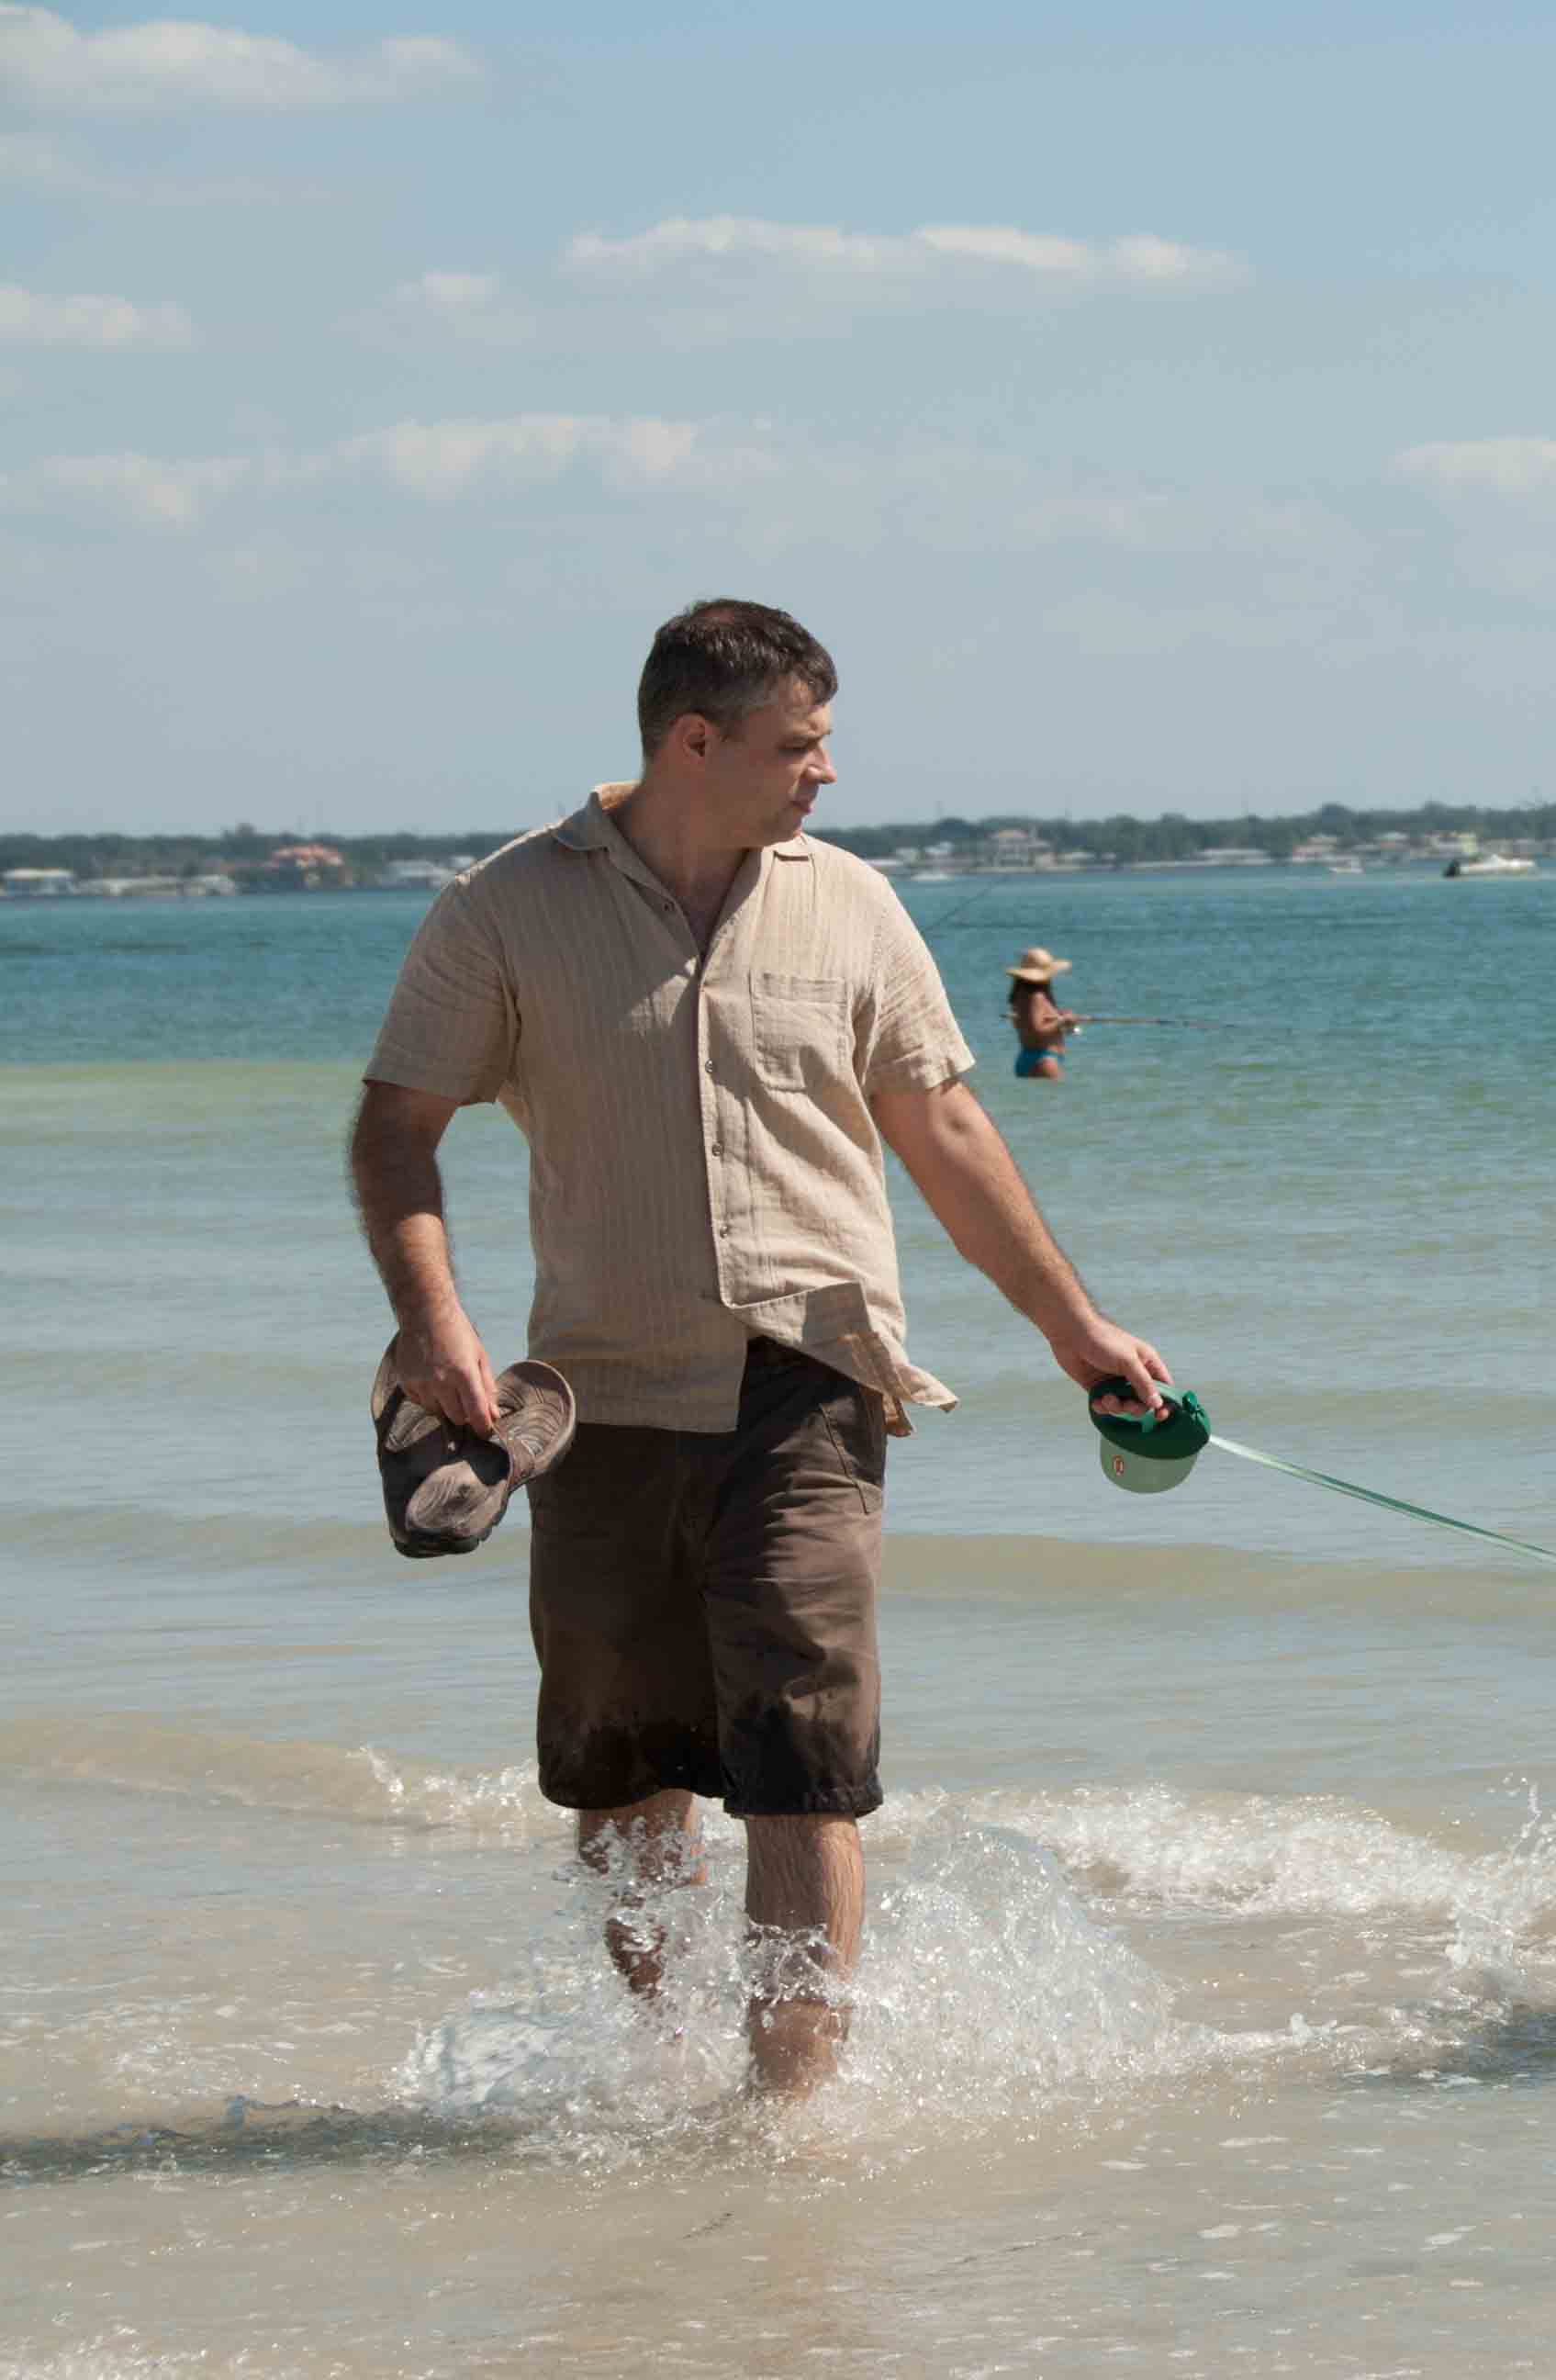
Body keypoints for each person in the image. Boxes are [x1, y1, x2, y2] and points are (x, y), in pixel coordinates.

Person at [346, 598, 1170, 2097]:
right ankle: (666, 2077)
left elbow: (944, 1124)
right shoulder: (505, 906)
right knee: (627, 1770)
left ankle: (787, 2114)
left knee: (805, 1752)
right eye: (800, 743)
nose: (826, 772)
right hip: (591, 1397)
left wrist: (1074, 1324)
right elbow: (395, 1126)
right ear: (693, 740)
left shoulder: (851, 901)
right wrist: (433, 1323)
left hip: (813, 1378)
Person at [1005, 947, 1080, 1080]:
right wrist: (1062, 1020)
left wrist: (1065, 1020)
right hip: (1043, 1060)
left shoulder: (1020, 996)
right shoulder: (1037, 997)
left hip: (1031, 1057)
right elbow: (1037, 1029)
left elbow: (1029, 1025)